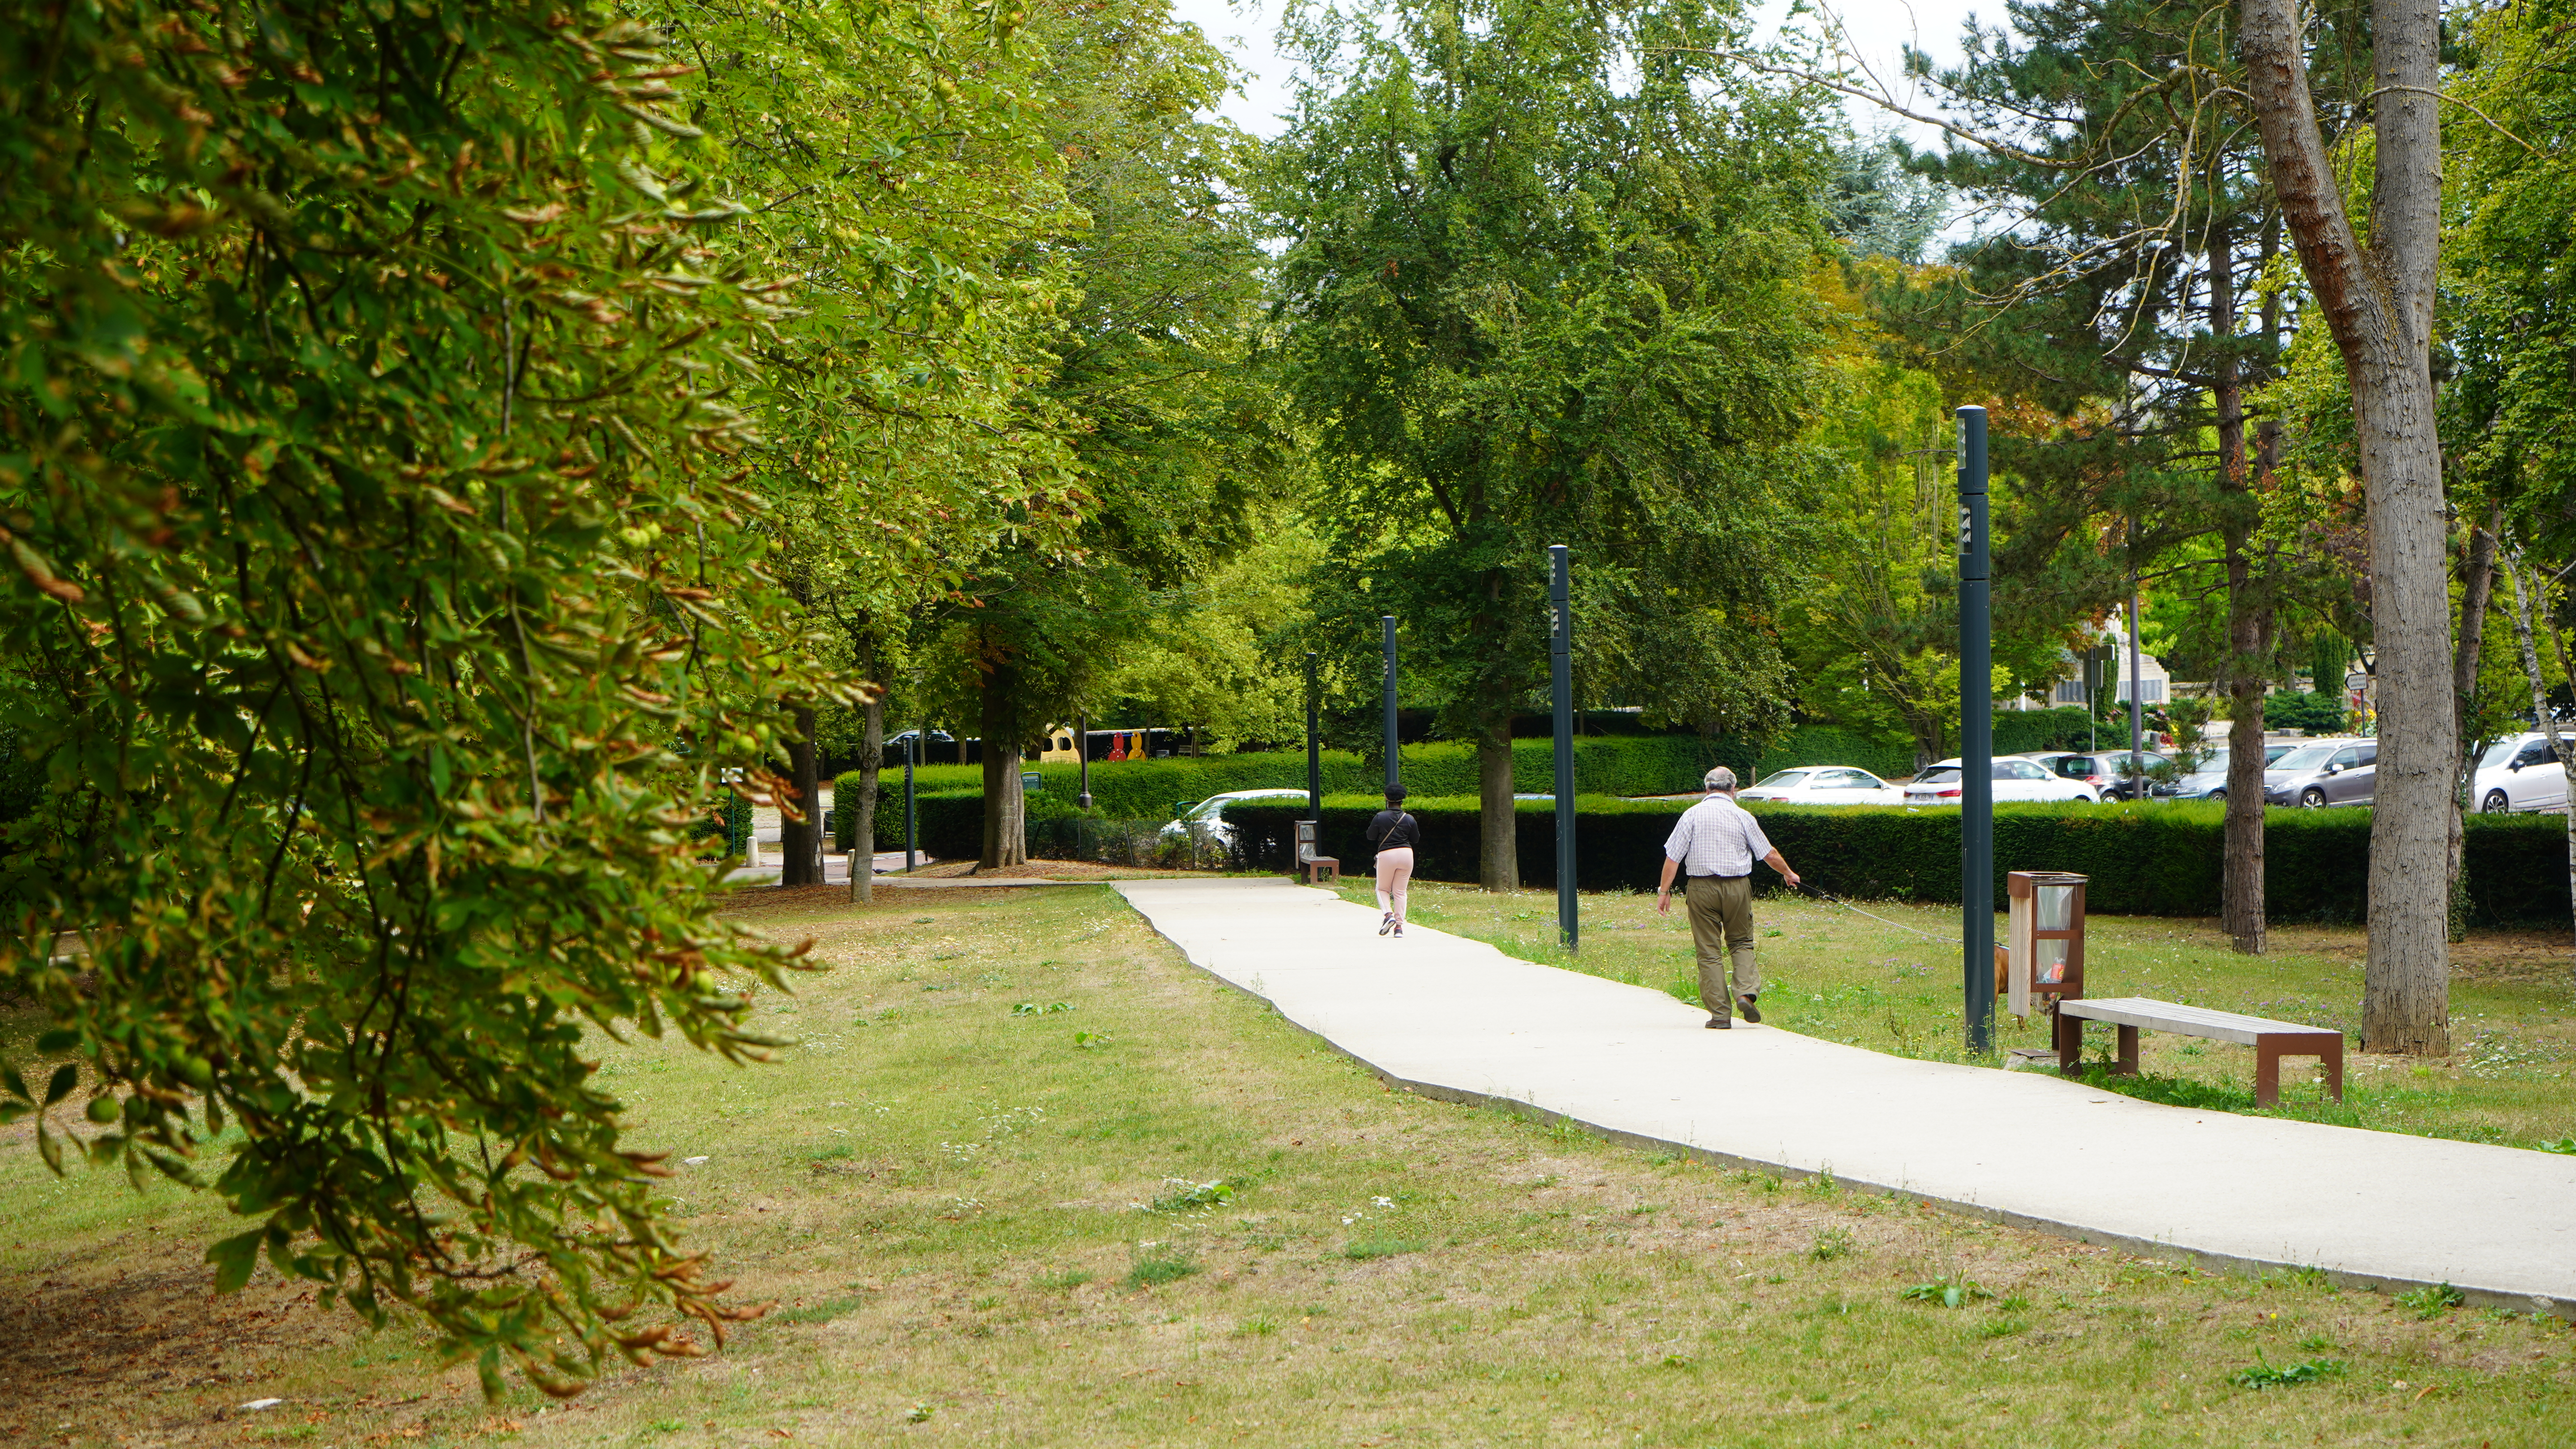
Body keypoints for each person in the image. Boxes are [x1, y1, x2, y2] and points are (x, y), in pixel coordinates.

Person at [1656, 766, 1801, 1029]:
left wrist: (1664, 892)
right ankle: (1745, 993)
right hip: (1737, 888)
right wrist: (1788, 874)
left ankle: (1721, 1016)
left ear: (1707, 788)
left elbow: (1673, 857)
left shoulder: (1691, 815)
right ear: (1734, 789)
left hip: (1701, 889)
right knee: (1742, 942)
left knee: (1709, 951)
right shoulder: (1742, 816)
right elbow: (1769, 854)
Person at [1364, 785, 1419, 938]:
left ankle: (1389, 915)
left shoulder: (1380, 817)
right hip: (1407, 854)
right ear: (1403, 799)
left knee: (1382, 889)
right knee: (1401, 892)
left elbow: (1370, 836)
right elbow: (1415, 839)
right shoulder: (1409, 818)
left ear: (1386, 798)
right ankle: (1399, 929)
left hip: (1387, 854)